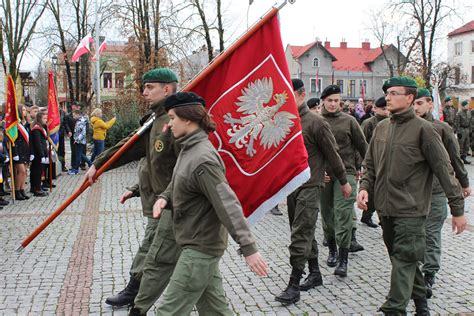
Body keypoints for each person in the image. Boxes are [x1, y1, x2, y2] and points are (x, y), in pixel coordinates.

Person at [357, 76, 466, 314]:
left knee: (405, 258)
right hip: (385, 210)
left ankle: (394, 308)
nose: (388, 97)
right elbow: (370, 165)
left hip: (412, 212)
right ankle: (422, 304)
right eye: (387, 93)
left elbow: (445, 170)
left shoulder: (425, 130)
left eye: (394, 93)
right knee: (401, 260)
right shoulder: (381, 128)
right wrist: (364, 187)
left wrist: (457, 210)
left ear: (409, 98)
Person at [152, 91, 268, 315]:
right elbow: (179, 179)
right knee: (214, 311)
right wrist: (164, 197)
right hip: (196, 243)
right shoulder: (188, 149)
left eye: (173, 117)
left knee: (168, 312)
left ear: (187, 118)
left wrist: (248, 248)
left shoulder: (202, 158)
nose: (170, 123)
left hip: (200, 248)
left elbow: (227, 204)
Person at [84, 68, 181, 311]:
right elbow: (137, 151)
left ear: (167, 89)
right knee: (165, 251)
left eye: (150, 87)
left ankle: (137, 296)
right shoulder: (155, 120)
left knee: (155, 251)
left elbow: (182, 168)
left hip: (171, 204)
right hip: (158, 202)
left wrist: (99, 164)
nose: (144, 92)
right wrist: (133, 186)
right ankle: (140, 293)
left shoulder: (175, 121)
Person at [275, 79, 349, 305]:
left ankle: (294, 284)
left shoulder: (316, 123)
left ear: (301, 94)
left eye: (290, 95)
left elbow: (332, 154)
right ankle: (315, 272)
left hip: (311, 185)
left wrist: (344, 181)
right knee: (301, 232)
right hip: (292, 187)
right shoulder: (286, 121)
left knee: (300, 233)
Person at [414, 88, 471, 299]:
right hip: (411, 192)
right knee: (414, 234)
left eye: (420, 103)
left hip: (436, 190)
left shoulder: (442, 128)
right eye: (414, 103)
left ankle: (429, 273)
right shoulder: (404, 127)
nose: (416, 108)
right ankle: (414, 270)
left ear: (430, 104)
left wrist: (464, 183)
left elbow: (454, 158)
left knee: (431, 233)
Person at [320, 85, 367, 277]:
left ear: (340, 101)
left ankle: (343, 258)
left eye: (336, 100)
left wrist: (368, 170)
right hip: (323, 176)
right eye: (329, 100)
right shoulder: (316, 121)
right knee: (327, 215)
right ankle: (331, 249)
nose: (333, 104)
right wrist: (316, 171)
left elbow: (364, 147)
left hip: (346, 174)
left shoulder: (349, 121)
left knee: (343, 213)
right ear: (323, 100)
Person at [360, 96, 389, 228]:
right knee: (371, 193)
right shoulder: (369, 123)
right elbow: (362, 143)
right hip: (372, 163)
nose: (386, 111)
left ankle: (384, 219)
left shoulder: (391, 122)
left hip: (386, 164)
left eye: (386, 108)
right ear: (375, 109)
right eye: (383, 109)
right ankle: (366, 215)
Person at [12, 104, 32, 200]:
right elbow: (13, 140)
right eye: (23, 110)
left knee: (25, 172)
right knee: (21, 171)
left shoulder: (25, 124)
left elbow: (29, 139)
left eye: (25, 110)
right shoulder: (15, 124)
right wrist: (15, 153)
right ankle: (17, 191)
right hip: (18, 150)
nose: (25, 111)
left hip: (25, 150)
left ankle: (22, 190)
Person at [29, 112, 49, 197]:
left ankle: (37, 186)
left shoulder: (41, 127)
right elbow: (38, 143)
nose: (46, 120)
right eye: (44, 118)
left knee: (40, 171)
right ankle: (36, 189)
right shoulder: (36, 129)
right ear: (39, 119)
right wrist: (42, 155)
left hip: (41, 154)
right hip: (37, 155)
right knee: (37, 171)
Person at [68, 110, 91, 175]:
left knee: (79, 155)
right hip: (78, 140)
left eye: (74, 115)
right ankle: (90, 164)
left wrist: (77, 139)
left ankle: (76, 170)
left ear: (78, 114)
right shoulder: (79, 121)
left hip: (79, 141)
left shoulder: (81, 121)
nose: (73, 116)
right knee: (80, 154)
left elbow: (83, 133)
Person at [455, 100, 471, 164]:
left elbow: (470, 122)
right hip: (461, 129)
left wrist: (470, 130)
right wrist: (458, 132)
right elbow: (457, 123)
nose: (468, 106)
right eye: (466, 105)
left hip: (467, 129)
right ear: (463, 106)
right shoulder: (459, 113)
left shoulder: (468, 112)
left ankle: (464, 157)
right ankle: (459, 158)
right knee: (460, 144)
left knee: (467, 144)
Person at [65, 103, 80, 170]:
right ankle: (73, 165)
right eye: (73, 106)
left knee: (81, 151)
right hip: (72, 135)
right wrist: (69, 131)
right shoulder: (68, 115)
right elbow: (66, 124)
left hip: (80, 135)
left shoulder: (82, 115)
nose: (74, 107)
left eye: (76, 106)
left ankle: (82, 164)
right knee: (74, 150)